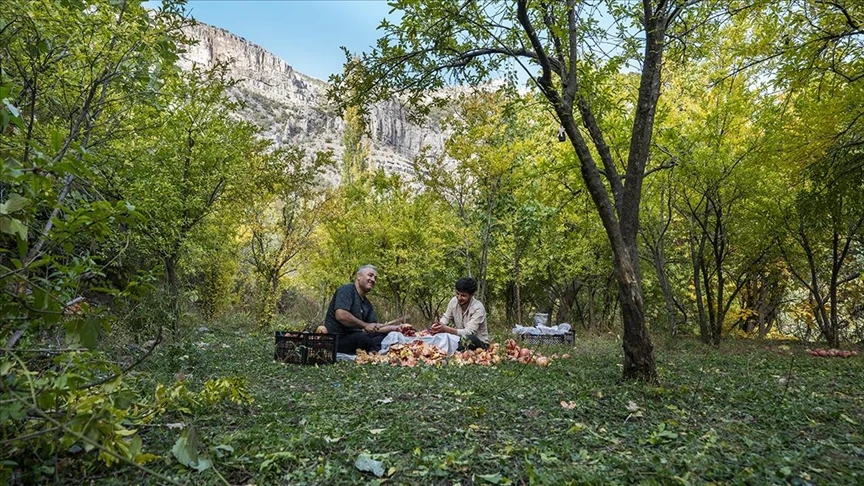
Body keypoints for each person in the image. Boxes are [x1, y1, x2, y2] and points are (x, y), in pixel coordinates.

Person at [324, 264, 409, 354]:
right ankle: (376, 351)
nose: (373, 280)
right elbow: (341, 315)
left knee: (385, 336)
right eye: (370, 275)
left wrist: (394, 328)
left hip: (357, 337)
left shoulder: (367, 303)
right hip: (338, 339)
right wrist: (364, 325)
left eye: (375, 278)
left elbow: (374, 327)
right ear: (359, 276)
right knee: (363, 338)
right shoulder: (346, 290)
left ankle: (377, 348)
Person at [430, 277, 489, 350]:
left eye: (463, 295)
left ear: (471, 295)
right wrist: (439, 325)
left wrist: (445, 328)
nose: (459, 297)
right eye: (457, 293)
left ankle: (452, 352)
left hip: (479, 343)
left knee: (469, 338)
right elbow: (446, 317)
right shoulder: (454, 301)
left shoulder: (478, 308)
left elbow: (469, 332)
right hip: (459, 339)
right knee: (436, 334)